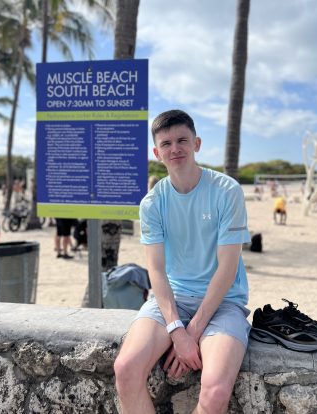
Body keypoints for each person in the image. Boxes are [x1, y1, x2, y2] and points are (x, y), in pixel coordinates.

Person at [114, 110, 251, 414]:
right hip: (171, 301)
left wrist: (193, 332)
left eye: (182, 140)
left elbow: (227, 269)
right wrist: (177, 329)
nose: (174, 148)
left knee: (215, 391)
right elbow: (156, 271)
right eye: (166, 143)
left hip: (224, 303)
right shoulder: (152, 203)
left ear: (196, 143)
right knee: (125, 369)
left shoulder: (227, 190)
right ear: (156, 153)